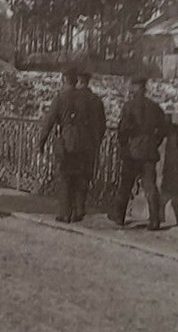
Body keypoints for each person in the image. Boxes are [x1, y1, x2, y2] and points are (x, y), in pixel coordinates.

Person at [35, 65, 105, 223]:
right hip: (87, 144)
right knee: (81, 177)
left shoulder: (61, 98)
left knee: (65, 177)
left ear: (64, 80)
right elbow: (100, 125)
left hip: (67, 143)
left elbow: (49, 122)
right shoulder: (91, 99)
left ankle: (65, 213)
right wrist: (96, 142)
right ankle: (79, 210)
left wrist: (41, 143)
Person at [110, 74, 169, 231]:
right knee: (150, 186)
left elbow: (123, 130)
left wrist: (124, 145)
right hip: (149, 152)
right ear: (145, 88)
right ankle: (155, 220)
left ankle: (119, 217)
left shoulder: (129, 107)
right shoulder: (155, 107)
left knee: (125, 185)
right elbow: (163, 130)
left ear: (135, 88)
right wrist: (153, 143)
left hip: (132, 152)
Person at [72, 69, 109, 221]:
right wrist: (96, 141)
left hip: (73, 144)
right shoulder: (96, 100)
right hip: (90, 145)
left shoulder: (72, 98)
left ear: (78, 81)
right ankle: (80, 207)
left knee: (72, 175)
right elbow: (102, 125)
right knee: (85, 176)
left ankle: (72, 208)